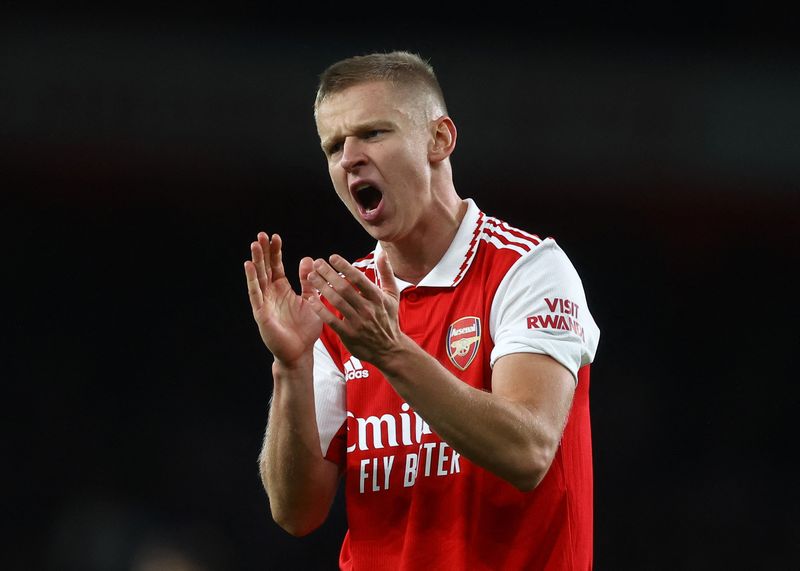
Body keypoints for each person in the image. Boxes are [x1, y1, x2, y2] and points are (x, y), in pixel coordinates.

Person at [243, 50, 600, 570]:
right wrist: (291, 367)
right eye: (334, 145)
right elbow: (296, 512)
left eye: (373, 133)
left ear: (439, 139)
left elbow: (527, 452)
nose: (349, 158)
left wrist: (391, 352)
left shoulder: (527, 270)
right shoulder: (344, 301)